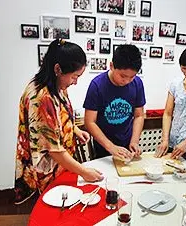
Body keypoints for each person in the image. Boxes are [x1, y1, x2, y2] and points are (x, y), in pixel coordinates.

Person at [14, 39, 103, 204]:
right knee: (55, 209)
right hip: (47, 170)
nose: (75, 82)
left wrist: (75, 130)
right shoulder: (40, 97)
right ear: (57, 69)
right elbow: (52, 149)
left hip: (61, 162)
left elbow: (60, 117)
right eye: (74, 76)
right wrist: (84, 171)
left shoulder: (57, 86)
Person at [83, 44, 145, 160]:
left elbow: (139, 115)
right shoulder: (97, 85)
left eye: (132, 77)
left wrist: (135, 141)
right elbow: (89, 122)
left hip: (127, 143)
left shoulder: (137, 84)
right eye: (123, 76)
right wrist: (111, 147)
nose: (127, 81)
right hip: (104, 146)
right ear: (111, 66)